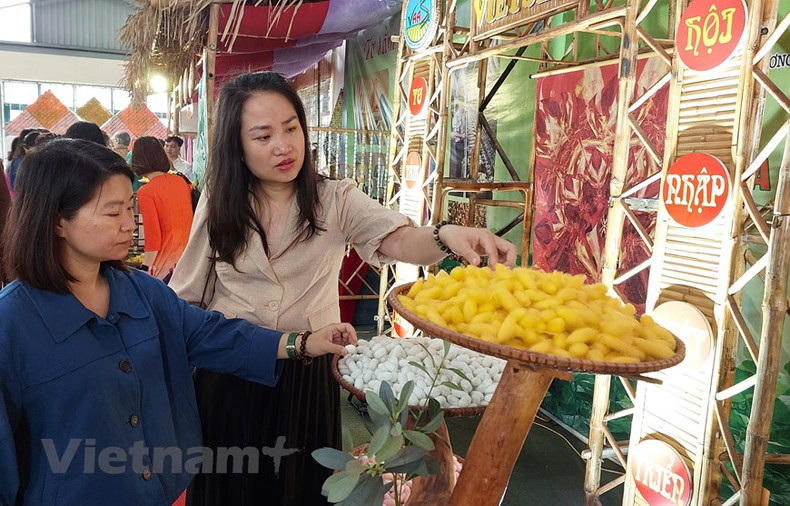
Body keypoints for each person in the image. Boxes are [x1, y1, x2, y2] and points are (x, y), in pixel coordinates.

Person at [169, 71, 517, 505]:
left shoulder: (334, 198)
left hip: (306, 373)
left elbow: (397, 238)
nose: (283, 145)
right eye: (263, 136)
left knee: (298, 487)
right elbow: (187, 295)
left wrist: (445, 235)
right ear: (236, 148)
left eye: (291, 128)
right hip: (232, 371)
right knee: (231, 490)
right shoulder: (218, 202)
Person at [0, 138, 357, 505]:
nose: (130, 224)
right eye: (112, 212)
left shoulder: (141, 292)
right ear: (58, 220)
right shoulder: (12, 325)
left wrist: (303, 343)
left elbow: (211, 334)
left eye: (129, 207)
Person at [130, 136, 193, 282]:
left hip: (165, 262)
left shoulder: (146, 192)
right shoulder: (181, 182)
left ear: (138, 159)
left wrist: (145, 268)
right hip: (189, 258)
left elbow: (153, 236)